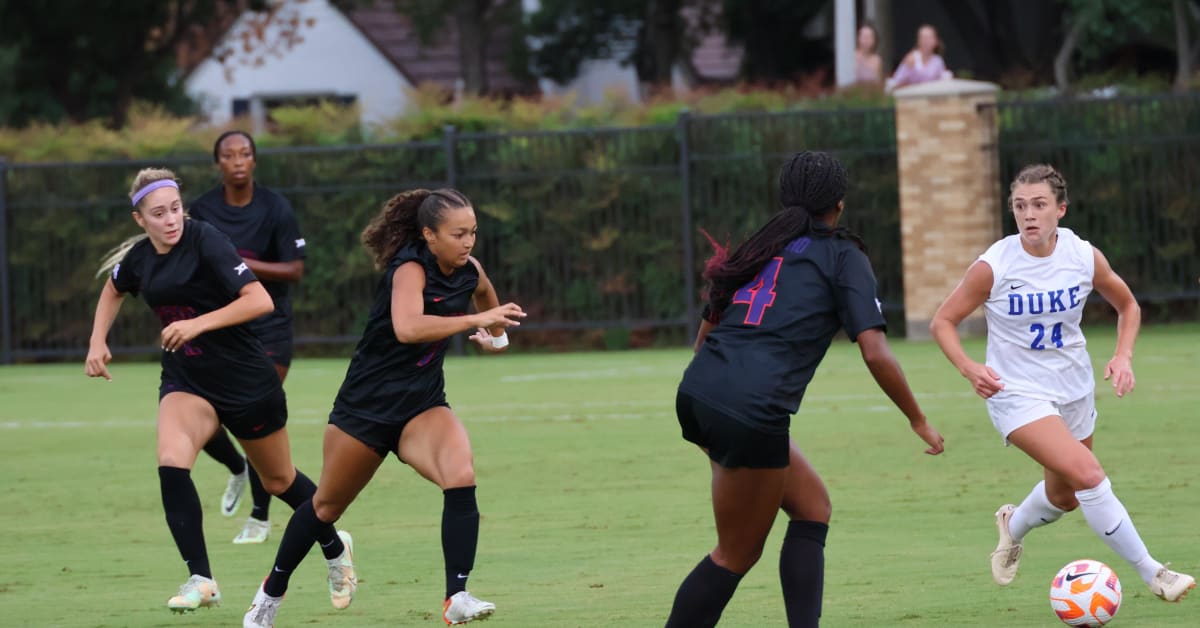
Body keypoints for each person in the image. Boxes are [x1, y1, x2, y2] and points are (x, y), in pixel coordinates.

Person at [664, 151, 945, 628]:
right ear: (839, 203)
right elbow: (875, 351)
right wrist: (917, 418)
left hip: (699, 392)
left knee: (812, 507)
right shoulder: (843, 255)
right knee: (735, 555)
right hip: (749, 411)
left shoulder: (758, 247)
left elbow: (704, 337)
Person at [243, 188, 526, 628]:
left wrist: (498, 340)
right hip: (366, 409)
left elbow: (487, 296)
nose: (468, 242)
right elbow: (408, 327)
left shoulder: (469, 270)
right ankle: (270, 594)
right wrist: (475, 321)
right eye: (458, 233)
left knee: (461, 475)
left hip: (423, 406)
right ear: (429, 235)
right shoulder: (409, 269)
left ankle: (457, 596)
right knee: (324, 509)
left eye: (472, 232)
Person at [85, 168, 356, 614]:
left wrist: (197, 323)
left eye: (175, 208)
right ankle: (202, 577)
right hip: (186, 380)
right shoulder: (139, 258)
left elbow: (259, 300)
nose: (171, 219)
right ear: (140, 220)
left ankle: (334, 546)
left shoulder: (206, 239)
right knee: (172, 462)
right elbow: (114, 288)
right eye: (158, 213)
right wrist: (98, 342)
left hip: (245, 379)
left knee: (278, 479)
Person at [929, 164, 1195, 603]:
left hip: (1074, 389)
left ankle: (1012, 527)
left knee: (1064, 496)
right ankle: (1155, 573)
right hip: (1015, 393)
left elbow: (1127, 306)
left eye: (1039, 205)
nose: (1028, 214)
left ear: (1060, 210)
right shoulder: (994, 266)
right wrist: (967, 366)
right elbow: (943, 321)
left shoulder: (1082, 255)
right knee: (1089, 475)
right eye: (1019, 206)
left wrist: (1123, 355)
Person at [190, 130, 307, 544]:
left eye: (245, 153)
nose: (237, 160)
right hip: (220, 329)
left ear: (255, 160)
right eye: (228, 154)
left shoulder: (276, 208)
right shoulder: (200, 209)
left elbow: (294, 270)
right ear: (218, 163)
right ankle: (237, 468)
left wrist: (241, 263)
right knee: (202, 422)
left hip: (269, 328)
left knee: (254, 415)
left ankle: (259, 516)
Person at [886, 24, 952, 91]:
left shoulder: (938, 61)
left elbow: (943, 83)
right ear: (918, 40)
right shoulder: (910, 58)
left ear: (936, 41)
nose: (926, 41)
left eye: (929, 37)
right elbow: (895, 84)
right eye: (923, 37)